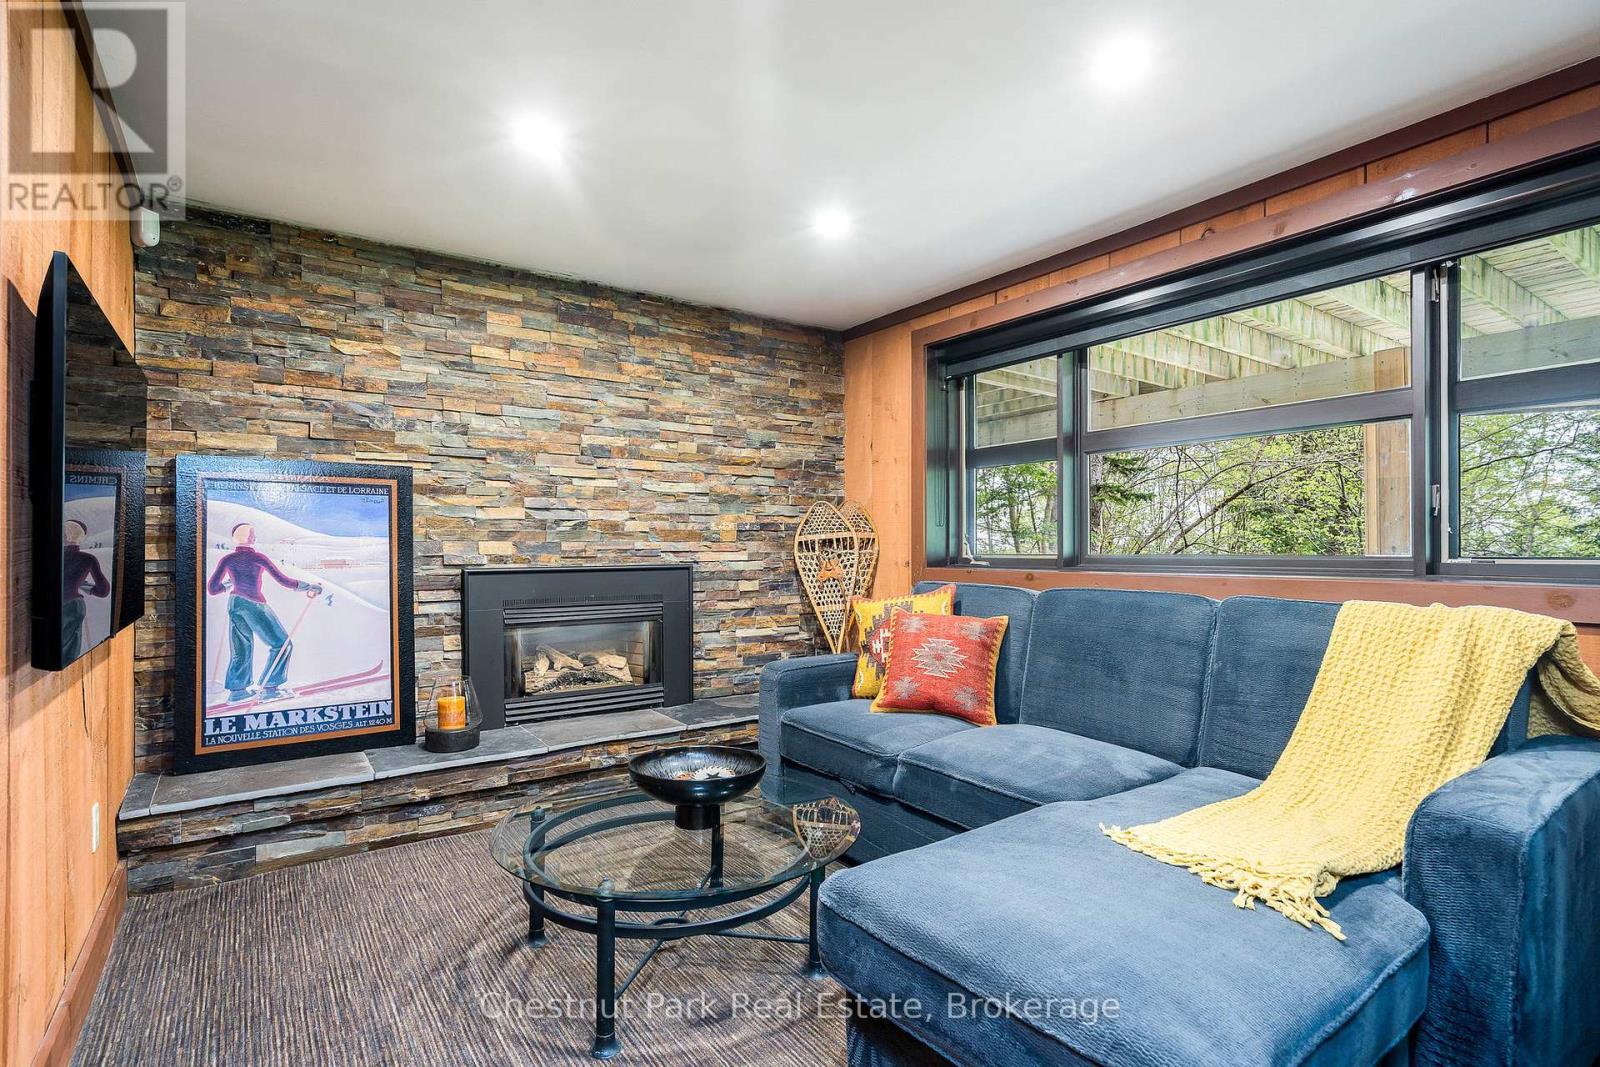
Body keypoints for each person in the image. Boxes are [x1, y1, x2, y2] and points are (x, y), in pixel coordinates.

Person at [207, 522, 323, 702]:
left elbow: (213, 589)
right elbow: (283, 580)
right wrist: (309, 586)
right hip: (254, 603)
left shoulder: (227, 559)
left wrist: (228, 585)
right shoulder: (258, 558)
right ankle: (270, 687)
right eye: (252, 533)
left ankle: (237, 691)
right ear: (251, 538)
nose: (254, 536)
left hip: (235, 603)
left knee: (241, 648)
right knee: (282, 644)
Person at [62, 519, 110, 661]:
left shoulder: (53, 557)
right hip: (73, 606)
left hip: (53, 604)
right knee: (68, 652)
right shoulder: (88, 559)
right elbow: (103, 590)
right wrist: (87, 587)